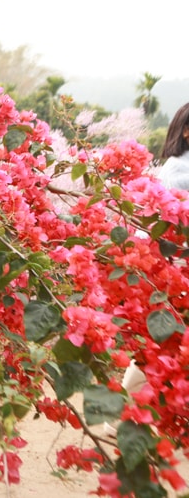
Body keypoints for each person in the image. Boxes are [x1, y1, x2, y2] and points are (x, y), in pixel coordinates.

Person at [104, 102, 189, 437]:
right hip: (174, 271)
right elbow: (156, 228)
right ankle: (120, 417)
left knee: (165, 346)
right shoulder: (177, 173)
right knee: (162, 346)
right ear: (186, 131)